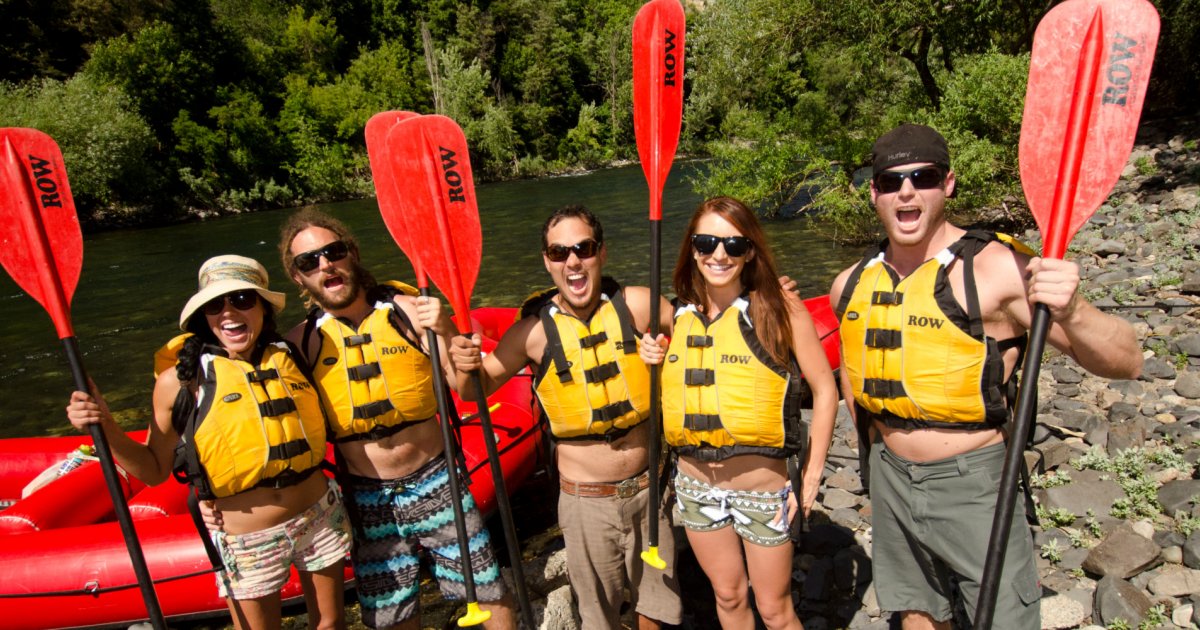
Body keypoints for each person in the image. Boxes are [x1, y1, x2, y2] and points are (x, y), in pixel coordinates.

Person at [829, 124, 1144, 629]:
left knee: (1002, 619)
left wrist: (1075, 309)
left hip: (973, 478)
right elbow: (851, 376)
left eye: (922, 177)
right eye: (891, 181)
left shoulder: (997, 268)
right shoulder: (851, 283)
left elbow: (1127, 362)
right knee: (914, 610)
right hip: (888, 473)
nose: (906, 191)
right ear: (875, 192)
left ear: (947, 184)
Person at [258, 208, 513, 630]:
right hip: (366, 497)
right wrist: (213, 502)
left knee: (485, 588)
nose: (325, 264)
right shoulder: (298, 345)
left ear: (351, 254)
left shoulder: (411, 312)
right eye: (309, 261)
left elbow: (469, 391)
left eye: (332, 252)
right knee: (391, 612)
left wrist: (448, 333)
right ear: (298, 277)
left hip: (438, 478)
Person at [67, 255, 352, 630]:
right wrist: (105, 427)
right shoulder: (180, 381)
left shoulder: (292, 355)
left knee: (330, 625)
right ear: (204, 316)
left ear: (263, 308)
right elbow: (153, 471)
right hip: (247, 537)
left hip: (319, 514)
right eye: (215, 304)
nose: (229, 312)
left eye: (242, 300)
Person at [448, 204, 683, 630]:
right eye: (559, 253)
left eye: (583, 248)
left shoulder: (642, 304)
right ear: (547, 262)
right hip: (585, 502)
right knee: (598, 616)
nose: (573, 261)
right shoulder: (531, 334)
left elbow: (697, 332)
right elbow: (472, 390)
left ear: (601, 253)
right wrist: (459, 356)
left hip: (650, 491)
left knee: (658, 610)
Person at [640, 196, 838, 630]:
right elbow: (615, 302)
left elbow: (826, 391)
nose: (719, 255)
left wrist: (809, 476)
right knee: (728, 599)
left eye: (733, 244)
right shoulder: (677, 316)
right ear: (692, 249)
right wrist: (646, 350)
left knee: (775, 610)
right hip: (696, 489)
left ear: (751, 251)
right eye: (707, 242)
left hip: (761, 492)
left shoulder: (780, 310)